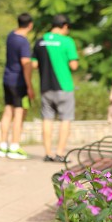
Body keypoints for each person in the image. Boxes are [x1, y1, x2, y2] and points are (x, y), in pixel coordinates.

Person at [32, 14, 79, 162]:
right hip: (64, 86)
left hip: (45, 87)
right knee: (65, 119)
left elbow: (33, 65)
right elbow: (74, 65)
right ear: (64, 26)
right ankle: (59, 153)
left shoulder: (40, 41)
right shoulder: (67, 41)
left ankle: (47, 153)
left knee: (47, 119)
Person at [0, 13, 35, 159]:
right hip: (18, 81)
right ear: (30, 24)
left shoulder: (11, 36)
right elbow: (26, 64)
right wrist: (29, 85)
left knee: (8, 111)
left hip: (7, 78)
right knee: (19, 113)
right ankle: (14, 146)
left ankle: (3, 146)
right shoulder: (23, 42)